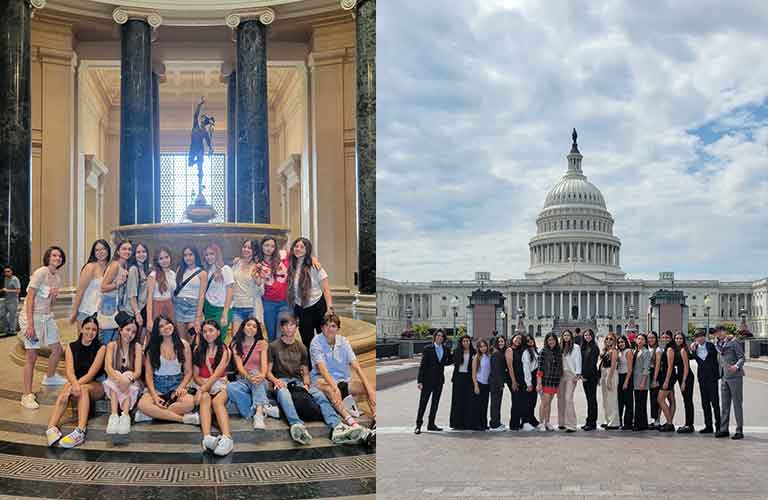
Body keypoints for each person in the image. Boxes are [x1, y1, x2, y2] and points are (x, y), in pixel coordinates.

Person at [309, 313, 373, 442]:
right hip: (322, 380)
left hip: (343, 381)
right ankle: (353, 424)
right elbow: (322, 369)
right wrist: (335, 387)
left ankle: (376, 420)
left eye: (332, 326)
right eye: (326, 326)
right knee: (330, 389)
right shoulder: (316, 342)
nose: (329, 329)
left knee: (365, 388)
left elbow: (356, 366)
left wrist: (370, 389)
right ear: (321, 328)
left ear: (338, 328)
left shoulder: (344, 341)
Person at [46, 316, 106, 448]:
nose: (90, 332)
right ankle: (51, 427)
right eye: (87, 328)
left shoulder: (101, 348)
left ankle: (80, 431)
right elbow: (69, 371)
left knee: (83, 389)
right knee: (64, 392)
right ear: (81, 329)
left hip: (95, 384)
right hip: (76, 381)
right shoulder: (71, 347)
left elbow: (92, 373)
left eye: (94, 330)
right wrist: (73, 385)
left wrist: (76, 386)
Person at [20, 246, 67, 409]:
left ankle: (50, 376)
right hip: (31, 317)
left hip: (46, 316)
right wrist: (30, 325)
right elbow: (30, 298)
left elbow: (51, 304)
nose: (57, 258)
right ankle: (26, 395)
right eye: (54, 255)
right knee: (31, 356)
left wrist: (54, 296)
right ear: (48, 257)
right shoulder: (41, 272)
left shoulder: (57, 278)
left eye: (60, 256)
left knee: (57, 349)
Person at [135, 315, 200, 426]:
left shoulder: (183, 344)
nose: (166, 327)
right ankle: (182, 419)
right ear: (158, 331)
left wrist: (180, 388)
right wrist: (155, 396)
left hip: (177, 384)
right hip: (157, 385)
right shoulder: (152, 348)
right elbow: (149, 376)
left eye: (167, 323)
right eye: (161, 326)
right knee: (142, 405)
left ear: (172, 324)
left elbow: (188, 372)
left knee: (190, 403)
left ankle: (151, 414)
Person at [266, 313, 314, 444]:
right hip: (281, 381)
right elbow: (267, 372)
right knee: (283, 392)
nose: (289, 328)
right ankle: (296, 424)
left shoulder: (302, 347)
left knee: (320, 395)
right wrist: (275, 381)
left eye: (292, 325)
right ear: (281, 328)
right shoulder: (273, 346)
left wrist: (306, 384)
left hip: (298, 382)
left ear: (296, 328)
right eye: (286, 326)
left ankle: (336, 423)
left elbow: (305, 372)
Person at [193, 319, 234, 456]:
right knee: (204, 398)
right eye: (205, 331)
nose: (208, 334)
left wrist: (201, 389)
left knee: (217, 401)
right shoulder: (198, 349)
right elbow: (195, 376)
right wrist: (202, 388)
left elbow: (216, 375)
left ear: (217, 332)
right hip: (203, 383)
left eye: (211, 330)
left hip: (220, 384)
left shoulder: (224, 350)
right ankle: (207, 438)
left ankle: (227, 438)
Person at [287, 238, 333, 349]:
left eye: (302, 247)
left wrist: (329, 308)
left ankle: (326, 364)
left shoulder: (314, 265)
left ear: (308, 250)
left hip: (317, 305)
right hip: (301, 307)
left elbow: (326, 289)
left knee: (324, 337)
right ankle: (311, 364)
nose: (298, 249)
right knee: (307, 340)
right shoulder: (290, 264)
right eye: (296, 246)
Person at [102, 314, 143, 435]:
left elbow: (138, 372)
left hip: (132, 381)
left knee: (128, 374)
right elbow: (107, 367)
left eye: (133, 332)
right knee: (116, 373)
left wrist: (128, 380)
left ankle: (125, 416)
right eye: (127, 330)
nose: (130, 334)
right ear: (120, 330)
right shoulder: (112, 345)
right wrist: (119, 379)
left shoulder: (137, 347)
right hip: (115, 381)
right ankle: (114, 415)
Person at [226, 317, 269, 429]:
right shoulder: (236, 344)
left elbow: (264, 367)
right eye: (249, 325)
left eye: (254, 327)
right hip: (244, 379)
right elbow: (240, 367)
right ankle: (255, 410)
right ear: (243, 327)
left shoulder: (262, 343)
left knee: (255, 372)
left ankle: (259, 414)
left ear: (257, 330)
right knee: (230, 387)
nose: (251, 328)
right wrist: (249, 378)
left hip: (259, 380)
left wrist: (262, 375)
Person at [415, 329, 451, 434]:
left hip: (439, 381)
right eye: (438, 335)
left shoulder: (446, 349)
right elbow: (423, 365)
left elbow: (449, 360)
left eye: (442, 336)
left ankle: (431, 424)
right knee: (423, 403)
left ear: (444, 338)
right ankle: (418, 425)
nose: (440, 337)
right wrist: (420, 381)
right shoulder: (428, 349)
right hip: (427, 381)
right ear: (435, 337)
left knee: (435, 403)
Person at [714, 325, 744, 440]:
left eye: (721, 331)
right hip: (724, 377)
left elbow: (742, 357)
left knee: (737, 405)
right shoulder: (717, 344)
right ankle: (724, 429)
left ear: (725, 332)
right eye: (717, 332)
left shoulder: (734, 342)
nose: (719, 334)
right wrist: (694, 344)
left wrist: (736, 366)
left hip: (735, 377)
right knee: (725, 406)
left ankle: (739, 430)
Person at [69, 239, 110, 325]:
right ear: (94, 253)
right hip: (86, 311)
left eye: (103, 249)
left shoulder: (110, 268)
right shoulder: (90, 267)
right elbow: (80, 291)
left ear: (108, 250)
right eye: (97, 250)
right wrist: (74, 311)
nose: (100, 252)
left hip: (102, 313)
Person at [99, 240, 132, 344]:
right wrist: (118, 284)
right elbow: (103, 287)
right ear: (118, 251)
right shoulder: (115, 265)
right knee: (107, 339)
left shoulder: (125, 265)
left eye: (129, 249)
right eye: (124, 249)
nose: (127, 251)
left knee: (115, 339)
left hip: (118, 304)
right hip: (109, 303)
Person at [258, 236, 290, 342]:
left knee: (281, 334)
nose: (269, 248)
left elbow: (300, 255)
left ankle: (280, 358)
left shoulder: (284, 257)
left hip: (285, 303)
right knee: (271, 335)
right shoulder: (257, 263)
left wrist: (313, 259)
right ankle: (272, 358)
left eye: (272, 246)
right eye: (266, 245)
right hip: (268, 303)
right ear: (261, 247)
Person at [689, 329, 721, 434]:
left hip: (712, 378)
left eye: (701, 336)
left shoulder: (711, 345)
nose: (700, 338)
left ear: (704, 336)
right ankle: (708, 426)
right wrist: (691, 349)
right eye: (697, 336)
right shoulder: (695, 348)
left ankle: (719, 427)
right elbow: (690, 357)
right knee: (705, 403)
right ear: (695, 338)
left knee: (715, 403)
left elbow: (718, 351)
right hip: (702, 379)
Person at [230, 240, 264, 336]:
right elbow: (231, 283)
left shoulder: (258, 266)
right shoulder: (236, 263)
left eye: (250, 248)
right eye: (245, 247)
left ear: (255, 251)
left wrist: (256, 279)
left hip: (252, 308)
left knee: (252, 339)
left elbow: (261, 291)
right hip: (237, 307)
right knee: (235, 339)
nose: (246, 249)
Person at [174, 246, 207, 343]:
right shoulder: (180, 269)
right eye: (185, 255)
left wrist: (198, 317)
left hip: (193, 308)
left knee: (193, 340)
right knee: (181, 340)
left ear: (195, 255)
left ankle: (193, 358)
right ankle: (184, 358)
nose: (188, 257)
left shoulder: (202, 273)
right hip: (179, 307)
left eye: (190, 254)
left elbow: (201, 297)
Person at [202, 243, 234, 341]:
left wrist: (225, 312)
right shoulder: (206, 271)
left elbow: (230, 291)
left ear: (217, 254)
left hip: (221, 309)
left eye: (211, 254)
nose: (209, 257)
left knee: (219, 338)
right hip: (208, 307)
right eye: (206, 255)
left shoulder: (226, 269)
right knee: (209, 338)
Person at [536, 333, 562, 432]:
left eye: (553, 340)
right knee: (544, 403)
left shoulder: (557, 352)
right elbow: (539, 369)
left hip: (554, 381)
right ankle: (541, 423)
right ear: (546, 341)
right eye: (549, 340)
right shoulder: (543, 352)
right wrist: (539, 383)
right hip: (545, 381)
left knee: (549, 403)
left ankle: (547, 422)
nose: (551, 342)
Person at [449, 335, 475, 430]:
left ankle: (468, 423)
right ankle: (457, 423)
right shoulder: (457, 351)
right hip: (458, 378)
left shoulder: (474, 352)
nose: (466, 343)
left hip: (469, 378)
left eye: (467, 341)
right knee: (457, 401)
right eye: (464, 341)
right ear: (461, 342)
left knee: (469, 401)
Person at [146, 247, 176, 327]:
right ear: (157, 261)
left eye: (166, 257)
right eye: (161, 258)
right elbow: (149, 299)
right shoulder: (153, 275)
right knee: (157, 333)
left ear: (170, 257)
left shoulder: (173, 274)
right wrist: (149, 320)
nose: (164, 260)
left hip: (170, 305)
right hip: (157, 306)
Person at [557, 330, 581, 432]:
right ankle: (562, 422)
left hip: (571, 375)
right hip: (560, 375)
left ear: (571, 336)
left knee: (568, 399)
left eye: (568, 335)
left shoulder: (576, 347)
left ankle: (571, 424)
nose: (566, 337)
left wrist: (578, 374)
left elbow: (578, 360)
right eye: (564, 335)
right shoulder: (560, 347)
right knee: (560, 398)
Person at [126, 242, 150, 342]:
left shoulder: (145, 268)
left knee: (141, 341)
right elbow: (132, 294)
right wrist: (137, 313)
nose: (141, 254)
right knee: (133, 341)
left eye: (143, 251)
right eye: (138, 252)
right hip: (135, 311)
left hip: (144, 308)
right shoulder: (133, 269)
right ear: (134, 255)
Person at [673, 332, 694, 433]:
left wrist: (684, 382)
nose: (678, 340)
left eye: (680, 338)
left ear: (683, 340)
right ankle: (688, 424)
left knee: (688, 401)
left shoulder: (682, 350)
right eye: (676, 338)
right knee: (686, 400)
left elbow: (686, 367)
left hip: (686, 377)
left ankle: (689, 425)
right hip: (682, 377)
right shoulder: (677, 349)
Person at [656, 331, 677, 432]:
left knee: (660, 399)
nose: (664, 339)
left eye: (667, 337)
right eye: (663, 337)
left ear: (671, 338)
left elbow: (670, 366)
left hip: (667, 377)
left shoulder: (669, 349)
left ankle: (669, 423)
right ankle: (670, 422)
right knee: (671, 399)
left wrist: (666, 381)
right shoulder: (667, 348)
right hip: (668, 377)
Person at [487, 335, 508, 431]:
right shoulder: (496, 354)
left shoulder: (497, 352)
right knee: (495, 403)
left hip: (496, 382)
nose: (501, 343)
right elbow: (496, 371)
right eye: (499, 341)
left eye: (502, 341)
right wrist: (501, 384)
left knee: (497, 403)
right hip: (495, 382)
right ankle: (494, 424)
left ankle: (496, 422)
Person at [580, 329, 599, 431]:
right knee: (589, 400)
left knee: (592, 400)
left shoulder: (594, 347)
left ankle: (592, 423)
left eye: (589, 335)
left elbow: (592, 364)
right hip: (585, 377)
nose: (587, 337)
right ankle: (589, 421)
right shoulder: (584, 347)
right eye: (585, 335)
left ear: (592, 336)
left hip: (591, 377)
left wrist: (585, 376)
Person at [599, 334, 620, 429]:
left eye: (611, 339)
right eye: (607, 339)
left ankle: (614, 422)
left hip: (611, 374)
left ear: (614, 341)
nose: (608, 340)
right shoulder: (605, 350)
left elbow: (613, 366)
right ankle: (607, 419)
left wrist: (609, 379)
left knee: (612, 398)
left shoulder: (614, 351)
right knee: (605, 399)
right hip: (604, 373)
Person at [507, 334, 527, 431]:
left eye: (520, 339)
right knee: (516, 401)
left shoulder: (521, 350)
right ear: (512, 338)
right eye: (517, 338)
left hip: (522, 379)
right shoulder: (509, 350)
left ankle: (519, 422)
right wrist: (513, 381)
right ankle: (513, 424)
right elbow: (510, 367)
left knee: (520, 401)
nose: (518, 340)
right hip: (514, 379)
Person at [632, 333, 651, 431]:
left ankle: (639, 425)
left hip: (642, 380)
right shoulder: (635, 351)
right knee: (638, 402)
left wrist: (643, 382)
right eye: (638, 339)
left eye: (642, 339)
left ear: (645, 341)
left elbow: (646, 368)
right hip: (635, 380)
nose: (639, 341)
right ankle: (641, 423)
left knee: (641, 403)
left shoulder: (646, 352)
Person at [470, 339, 491, 431]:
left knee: (485, 405)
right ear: (478, 348)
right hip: (479, 383)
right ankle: (477, 424)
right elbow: (473, 373)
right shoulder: (476, 357)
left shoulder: (489, 356)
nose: (483, 348)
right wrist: (476, 385)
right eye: (481, 346)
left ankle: (484, 423)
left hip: (487, 384)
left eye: (484, 346)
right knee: (478, 406)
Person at [521, 335, 539, 431]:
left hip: (536, 377)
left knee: (533, 401)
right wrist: (529, 383)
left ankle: (531, 419)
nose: (530, 341)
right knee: (527, 402)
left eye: (531, 339)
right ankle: (525, 421)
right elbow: (526, 369)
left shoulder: (535, 350)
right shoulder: (526, 353)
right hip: (530, 378)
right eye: (527, 341)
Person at [616, 335, 634, 430]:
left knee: (628, 401)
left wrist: (626, 382)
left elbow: (630, 369)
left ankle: (628, 422)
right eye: (619, 342)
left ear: (626, 342)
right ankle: (619, 421)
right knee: (620, 401)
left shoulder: (628, 351)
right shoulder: (619, 352)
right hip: (619, 376)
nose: (620, 344)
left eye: (622, 342)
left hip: (627, 376)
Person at [0, 265, 21, 336]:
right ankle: (7, 329)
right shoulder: (6, 278)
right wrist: (3, 290)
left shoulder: (15, 279)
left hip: (13, 301)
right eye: (5, 271)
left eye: (8, 271)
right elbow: (6, 289)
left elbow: (18, 291)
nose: (6, 273)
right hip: (6, 300)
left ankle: (12, 331)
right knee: (2, 314)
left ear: (11, 272)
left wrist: (7, 290)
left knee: (12, 317)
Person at [647, 332, 662, 428]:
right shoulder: (648, 348)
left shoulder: (658, 350)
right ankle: (654, 419)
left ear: (656, 339)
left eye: (653, 338)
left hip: (655, 374)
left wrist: (654, 379)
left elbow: (657, 365)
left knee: (656, 398)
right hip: (648, 373)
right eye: (649, 338)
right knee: (652, 398)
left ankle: (657, 420)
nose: (651, 339)